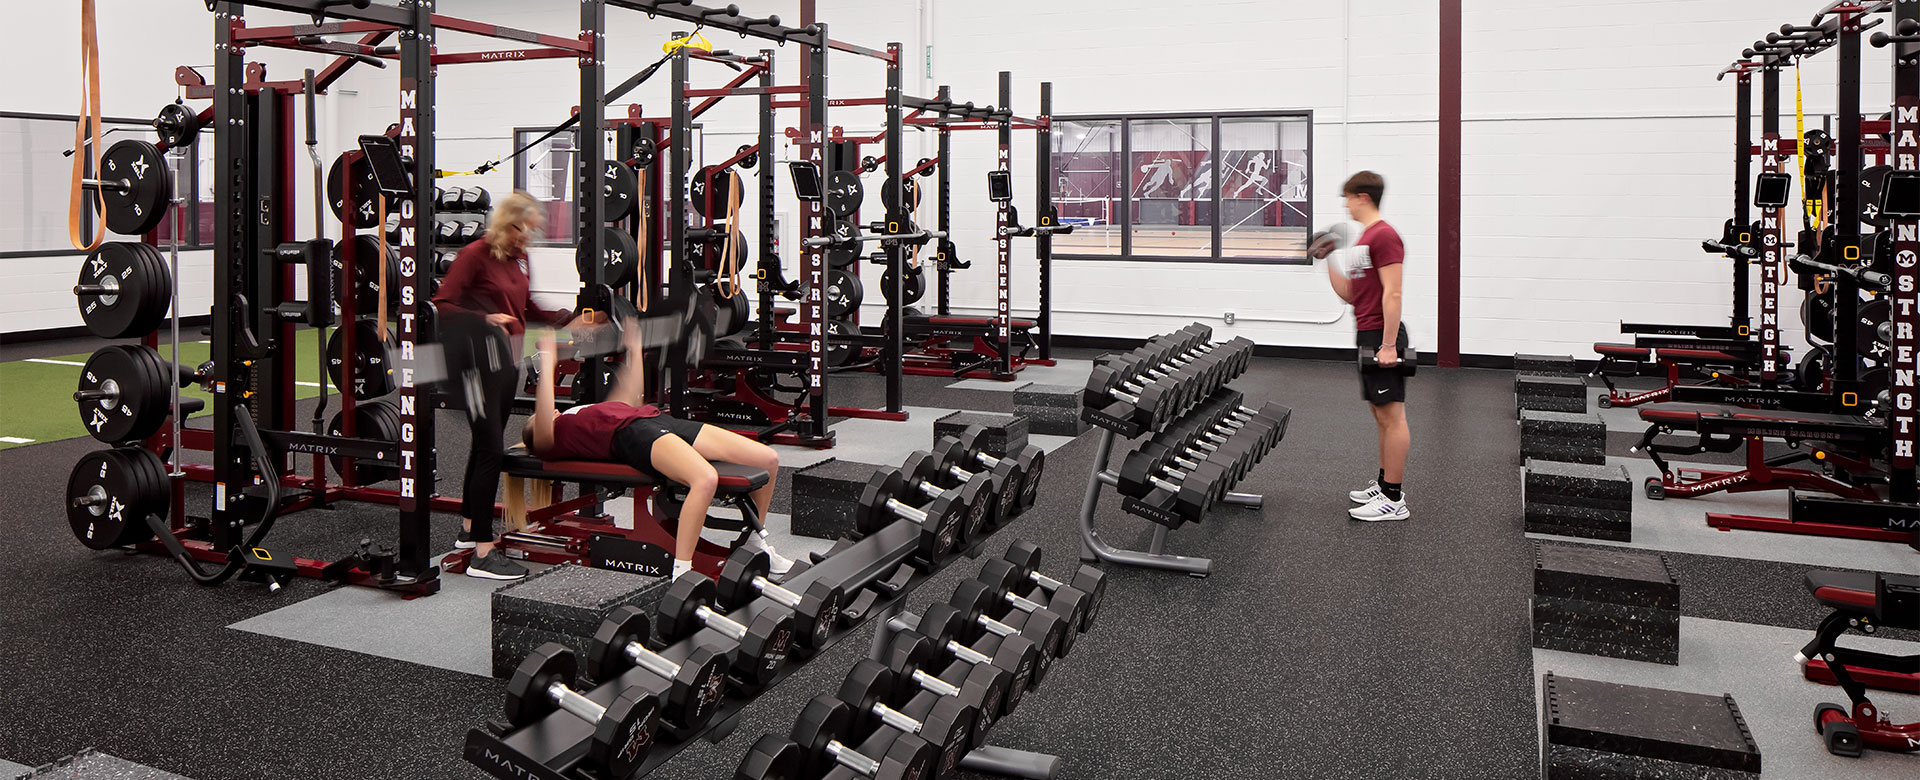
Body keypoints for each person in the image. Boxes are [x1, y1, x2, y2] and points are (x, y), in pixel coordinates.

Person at [523, 324, 793, 580]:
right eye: (538, 419)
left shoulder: (579, 413)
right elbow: (544, 410)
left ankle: (756, 546)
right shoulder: (553, 438)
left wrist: (635, 346)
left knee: (767, 458)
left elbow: (629, 398)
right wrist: (548, 362)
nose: (550, 412)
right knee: (704, 479)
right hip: (633, 435)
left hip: (654, 419)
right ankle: (682, 572)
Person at [433, 190, 576, 580]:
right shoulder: (475, 254)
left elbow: (526, 308)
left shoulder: (521, 259)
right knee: (492, 450)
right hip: (475, 365)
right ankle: (483, 550)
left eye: (529, 231)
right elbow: (440, 305)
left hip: (505, 364)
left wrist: (570, 316)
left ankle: (467, 530)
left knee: (484, 447)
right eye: (518, 228)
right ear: (503, 223)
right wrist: (484, 320)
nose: (524, 237)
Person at [1310, 171, 1411, 522]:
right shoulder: (1365, 240)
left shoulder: (1385, 236)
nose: (1345, 205)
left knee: (1393, 416)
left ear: (1363, 198)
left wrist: (1388, 345)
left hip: (1383, 335)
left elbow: (1393, 293)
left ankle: (1394, 501)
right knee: (1380, 414)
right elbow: (1352, 295)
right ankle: (1385, 484)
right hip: (1367, 332)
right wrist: (1328, 259)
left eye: (1348, 198)